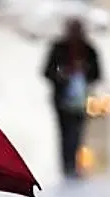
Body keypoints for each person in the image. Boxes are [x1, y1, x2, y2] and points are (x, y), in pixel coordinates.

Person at [42, 17, 103, 178]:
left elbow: (97, 74)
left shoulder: (88, 50)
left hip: (81, 99)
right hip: (62, 98)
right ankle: (67, 165)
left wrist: (84, 71)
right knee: (65, 133)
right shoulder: (58, 48)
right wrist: (62, 74)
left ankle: (75, 163)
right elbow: (47, 72)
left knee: (77, 133)